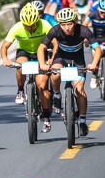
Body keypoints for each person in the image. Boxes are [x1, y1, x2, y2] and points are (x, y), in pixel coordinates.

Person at [39, 7, 100, 136]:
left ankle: (82, 120)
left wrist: (94, 64)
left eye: (69, 24)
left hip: (78, 61)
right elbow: (41, 47)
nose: (67, 28)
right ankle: (56, 95)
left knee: (80, 89)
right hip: (61, 58)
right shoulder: (55, 30)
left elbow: (97, 49)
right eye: (63, 24)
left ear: (75, 22)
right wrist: (42, 64)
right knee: (55, 74)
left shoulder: (84, 31)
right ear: (59, 24)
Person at [0, 3, 52, 106]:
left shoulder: (45, 25)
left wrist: (51, 59)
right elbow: (4, 47)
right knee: (20, 66)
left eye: (33, 25)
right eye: (27, 26)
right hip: (24, 51)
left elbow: (55, 42)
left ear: (37, 21)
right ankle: (20, 90)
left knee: (42, 83)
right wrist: (5, 59)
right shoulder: (17, 28)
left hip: (41, 51)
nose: (30, 28)